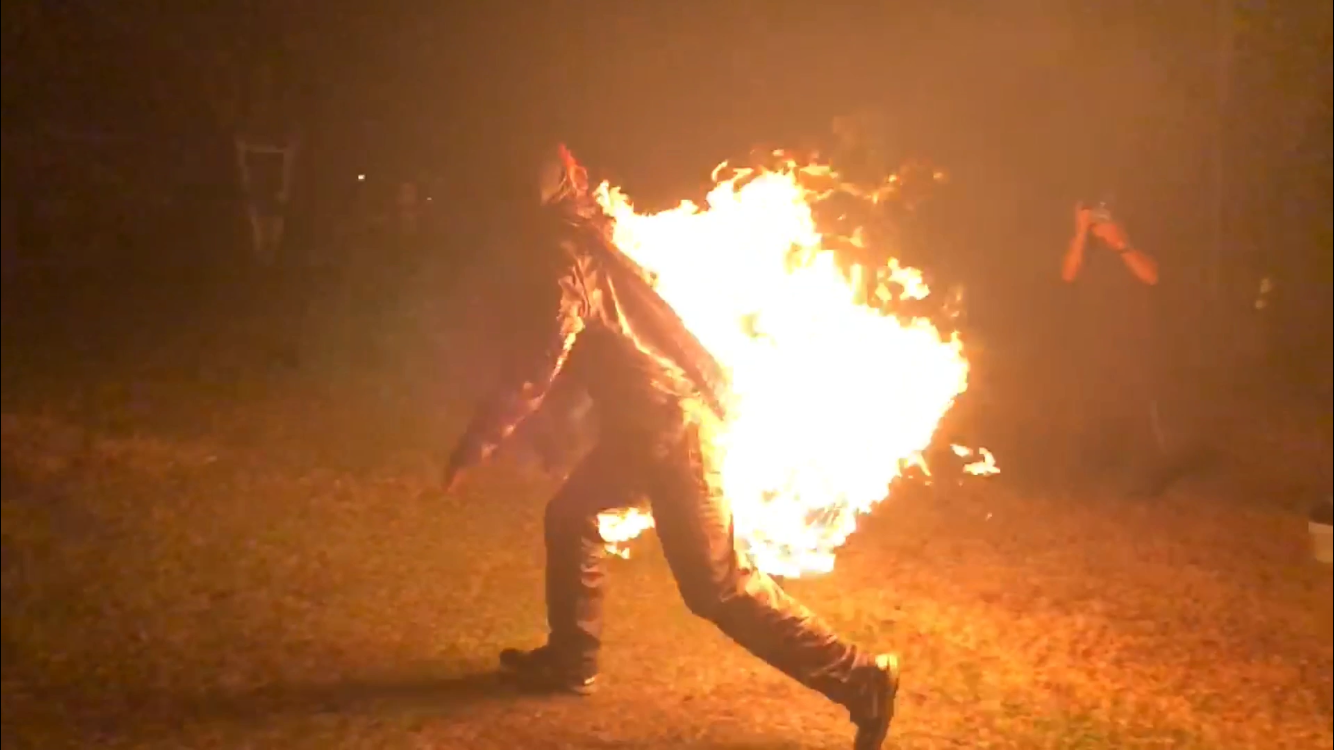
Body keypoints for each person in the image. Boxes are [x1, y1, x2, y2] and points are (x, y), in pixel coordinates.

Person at [442, 144, 901, 749]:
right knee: (571, 515)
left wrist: (479, 442)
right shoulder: (594, 237)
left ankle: (863, 678)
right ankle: (571, 661)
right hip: (644, 426)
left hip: (672, 427)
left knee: (717, 587)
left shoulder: (567, 259)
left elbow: (538, 364)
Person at [1060, 198, 1167, 493]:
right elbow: (1068, 274)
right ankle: (1088, 473)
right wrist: (1080, 233)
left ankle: (1141, 478)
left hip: (1131, 340)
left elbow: (1152, 276)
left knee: (1135, 409)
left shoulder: (1133, 239)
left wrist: (1121, 243)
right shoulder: (1085, 246)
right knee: (1089, 407)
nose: (1098, 221)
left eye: (1102, 214)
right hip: (1092, 340)